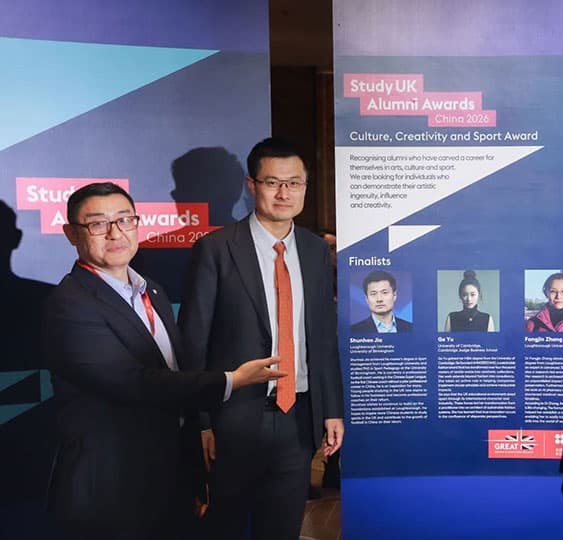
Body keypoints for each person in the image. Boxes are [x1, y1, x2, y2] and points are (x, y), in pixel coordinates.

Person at [43, 182, 284, 540]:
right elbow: (134, 382)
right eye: (98, 224)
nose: (115, 233)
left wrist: (194, 475)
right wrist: (231, 380)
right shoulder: (69, 304)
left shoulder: (151, 291)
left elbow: (177, 381)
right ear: (71, 234)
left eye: (125, 220)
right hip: (110, 491)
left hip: (167, 482)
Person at [178, 138, 344, 540]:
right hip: (232, 420)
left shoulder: (315, 251)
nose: (284, 193)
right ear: (251, 185)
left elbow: (322, 338)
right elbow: (194, 341)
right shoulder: (216, 249)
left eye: (294, 183)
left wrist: (331, 410)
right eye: (273, 182)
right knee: (225, 529)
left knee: (282, 529)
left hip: (297, 419)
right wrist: (202, 423)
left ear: (305, 186)